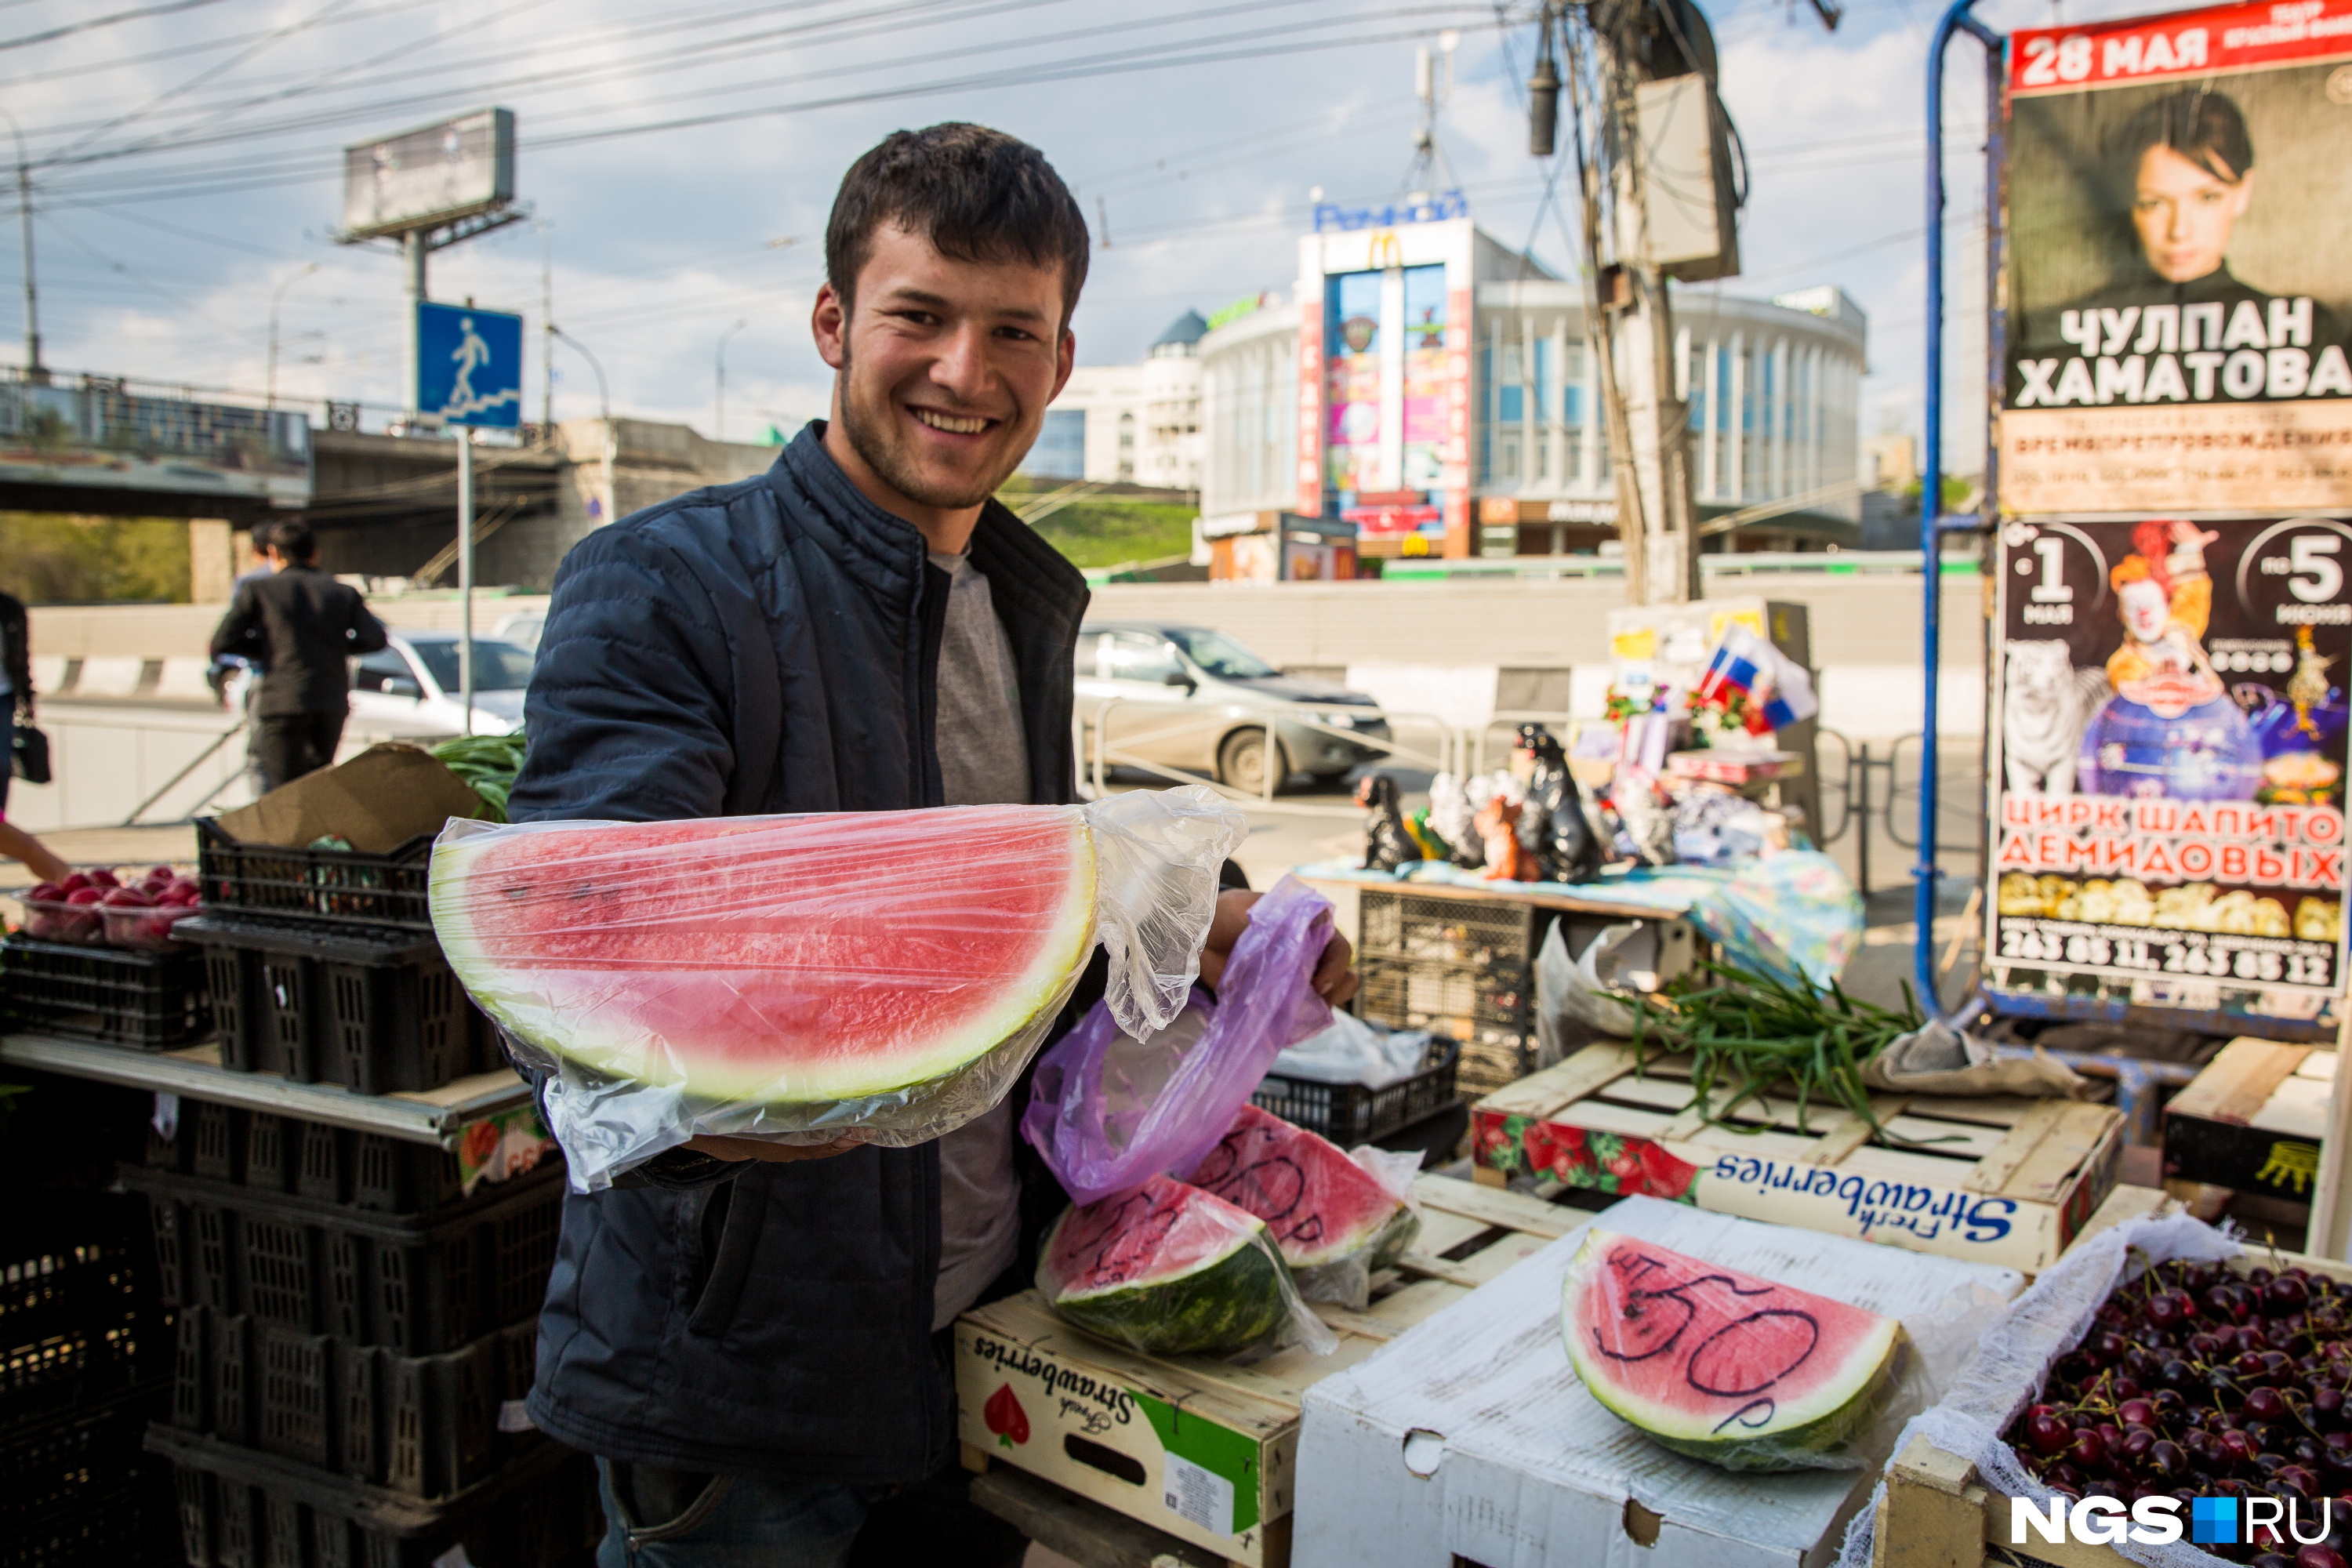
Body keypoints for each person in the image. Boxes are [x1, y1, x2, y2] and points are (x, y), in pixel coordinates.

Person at [504, 124, 1357, 1568]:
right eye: (921, 316)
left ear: (1062, 358)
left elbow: (989, 882)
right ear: (835, 322)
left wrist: (1178, 914)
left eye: (1012, 329)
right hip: (751, 1376)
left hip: (985, 1332)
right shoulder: (665, 588)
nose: (967, 371)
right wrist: (702, 1094)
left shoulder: (1017, 601)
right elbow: (585, 949)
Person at [2012, 87, 2350, 409]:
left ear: (2243, 192)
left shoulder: (2308, 329)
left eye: (2207, 198)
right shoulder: (2063, 336)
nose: (2180, 230)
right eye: (2155, 203)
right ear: (2127, 202)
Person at [206, 520, 388, 791]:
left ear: (274, 553)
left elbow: (221, 643)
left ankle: (289, 835)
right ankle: (318, 834)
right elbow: (376, 638)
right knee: (318, 784)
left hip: (281, 701)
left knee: (284, 789)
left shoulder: (259, 590)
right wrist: (332, 647)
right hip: (329, 700)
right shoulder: (341, 592)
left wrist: (268, 651)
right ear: (315, 553)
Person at [0, 587, 70, 884]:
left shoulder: (8, 608)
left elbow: (20, 655)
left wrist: (27, 698)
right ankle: (59, 874)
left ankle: (59, 875)